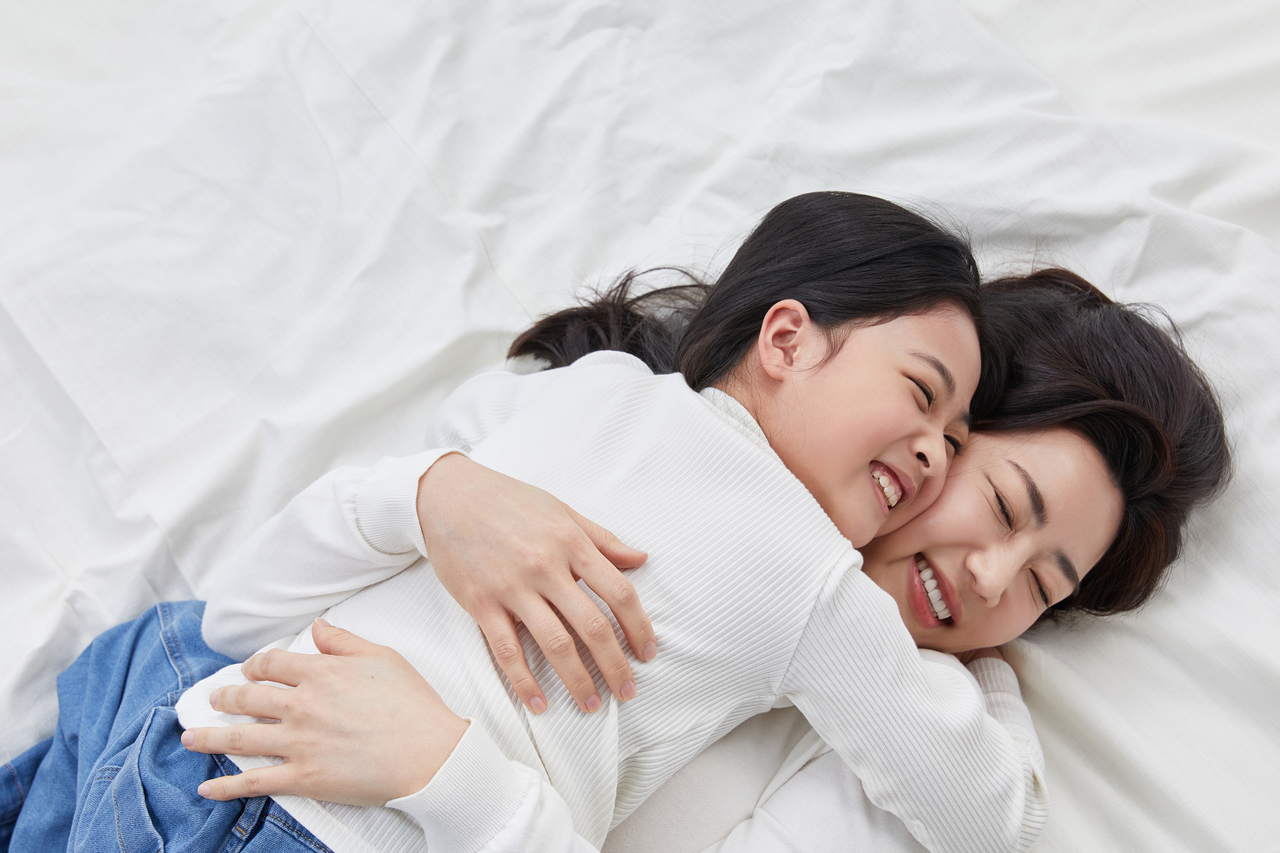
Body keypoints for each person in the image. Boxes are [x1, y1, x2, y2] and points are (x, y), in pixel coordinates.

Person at [180, 268, 1228, 853]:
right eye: (1000, 504)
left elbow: (998, 823)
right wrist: (432, 495)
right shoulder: (604, 410)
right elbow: (229, 622)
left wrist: (450, 777)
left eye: (1044, 586)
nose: (993, 580)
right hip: (195, 726)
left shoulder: (886, 722)